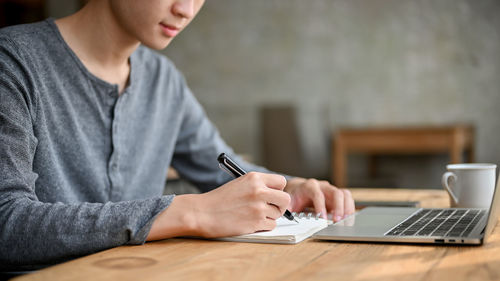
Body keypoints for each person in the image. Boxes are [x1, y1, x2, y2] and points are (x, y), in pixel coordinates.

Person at [0, 0, 355, 271]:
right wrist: (189, 212)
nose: (185, 9)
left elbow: (220, 164)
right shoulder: (12, 62)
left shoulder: (162, 79)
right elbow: (8, 224)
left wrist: (289, 189)